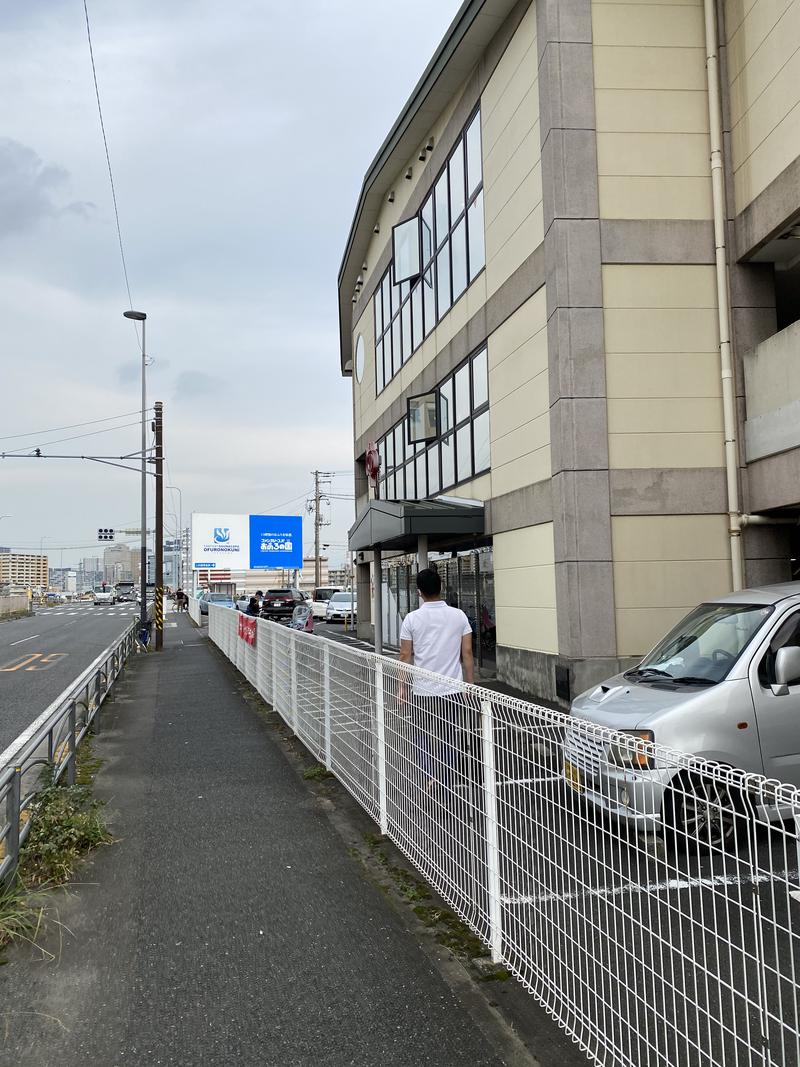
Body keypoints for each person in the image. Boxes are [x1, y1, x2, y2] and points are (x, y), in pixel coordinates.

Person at [398, 568, 474, 792]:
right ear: (441, 586)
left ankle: (429, 775)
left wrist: (402, 687)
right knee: (448, 735)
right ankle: (445, 780)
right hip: (452, 689)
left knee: (420, 734)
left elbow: (405, 656)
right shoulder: (459, 616)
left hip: (423, 690)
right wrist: (469, 685)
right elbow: (467, 654)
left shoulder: (412, 619)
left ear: (419, 592)